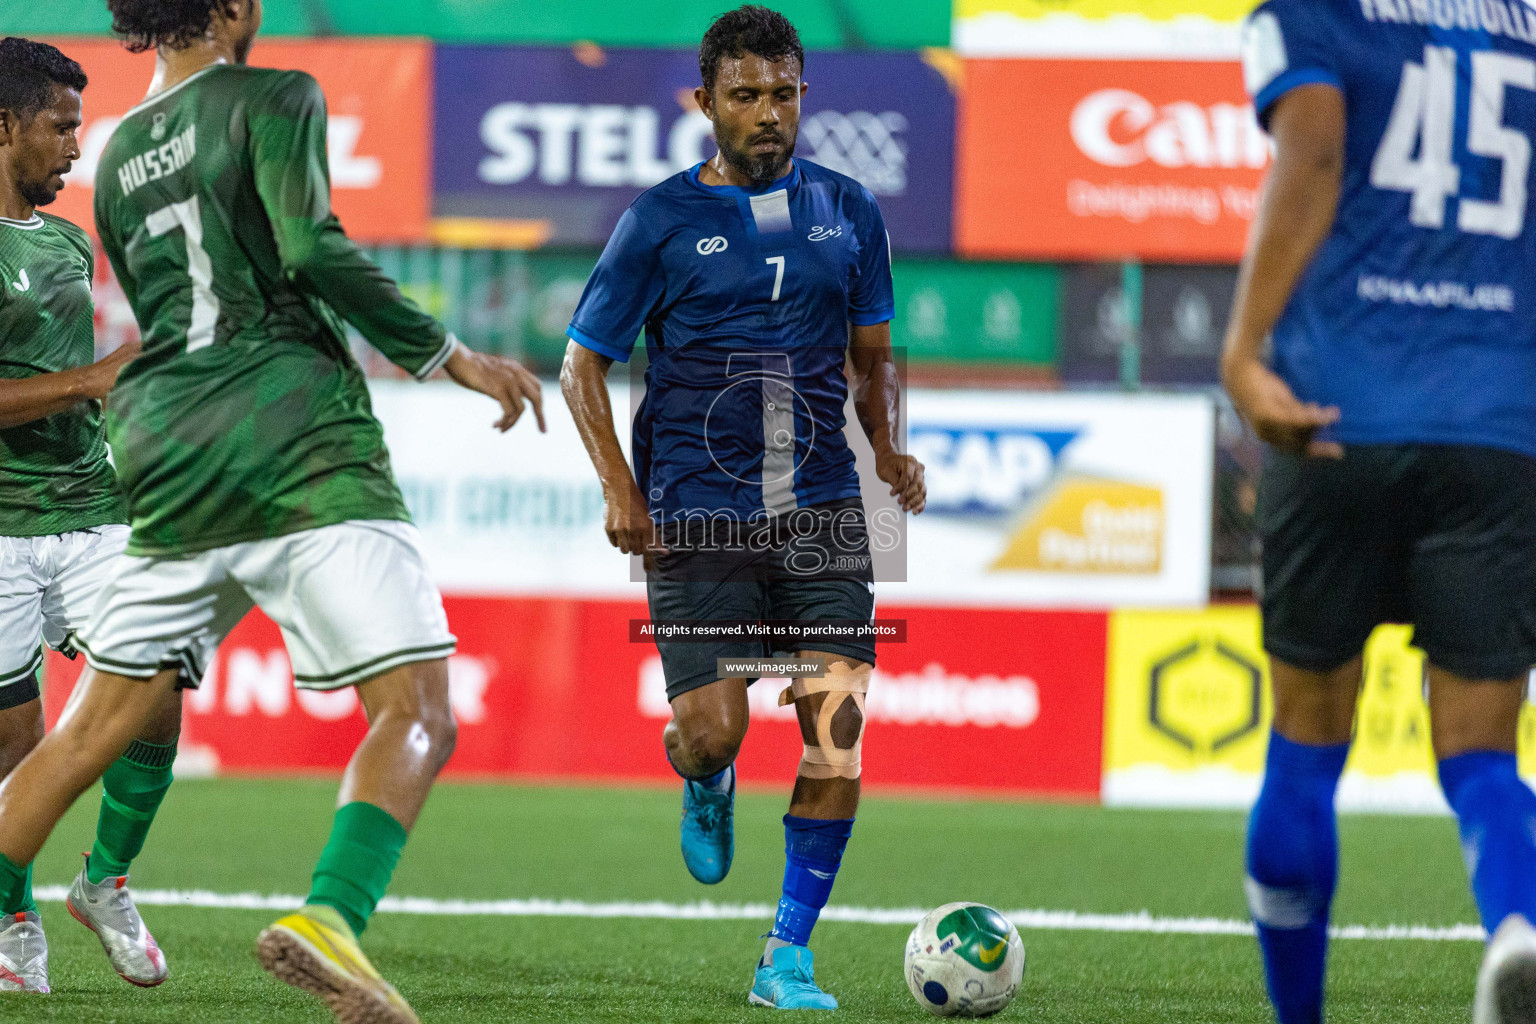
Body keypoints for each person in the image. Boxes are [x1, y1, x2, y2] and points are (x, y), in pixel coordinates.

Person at [0, 3, 545, 1022]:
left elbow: (167, 322)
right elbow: (312, 249)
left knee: (86, 740)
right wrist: (449, 354)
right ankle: (331, 914)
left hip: (163, 455)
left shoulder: (114, 168)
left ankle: (86, 881)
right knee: (417, 710)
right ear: (235, 10)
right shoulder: (274, 96)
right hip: (291, 431)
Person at [562, 4, 924, 1011]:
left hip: (821, 508)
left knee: (837, 725)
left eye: (785, 94)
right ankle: (705, 775)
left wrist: (889, 448)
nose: (770, 113)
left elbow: (873, 355)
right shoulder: (659, 221)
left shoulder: (850, 210)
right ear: (704, 103)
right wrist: (619, 489)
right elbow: (581, 366)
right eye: (747, 95)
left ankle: (786, 954)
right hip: (696, 512)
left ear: (804, 95)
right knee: (715, 733)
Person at [1228, 3, 1536, 1022]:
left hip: (1336, 417)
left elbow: (1311, 153)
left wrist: (1243, 350)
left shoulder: (1311, 14)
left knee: (1307, 741)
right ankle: (1518, 929)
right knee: (1486, 752)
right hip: (1499, 425)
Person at [0, 36, 190, 994]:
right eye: (61, 124)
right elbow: (67, 382)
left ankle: (105, 878)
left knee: (156, 695)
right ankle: (10, 915)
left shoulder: (69, 240)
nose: (78, 143)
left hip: (90, 504)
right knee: (14, 736)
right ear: (4, 127)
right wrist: (92, 379)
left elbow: (83, 386)